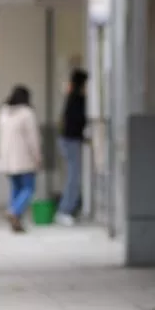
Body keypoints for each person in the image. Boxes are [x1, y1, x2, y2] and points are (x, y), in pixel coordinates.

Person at [0, 86, 41, 232]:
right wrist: (38, 157)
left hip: (8, 159)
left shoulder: (3, 114)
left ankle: (16, 221)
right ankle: (14, 211)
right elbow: (33, 139)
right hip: (24, 158)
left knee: (16, 189)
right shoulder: (27, 114)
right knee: (29, 188)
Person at [55, 69, 88, 226]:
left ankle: (68, 208)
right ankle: (65, 210)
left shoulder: (70, 97)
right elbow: (79, 120)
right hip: (72, 140)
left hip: (66, 139)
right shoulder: (78, 98)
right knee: (73, 177)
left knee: (72, 176)